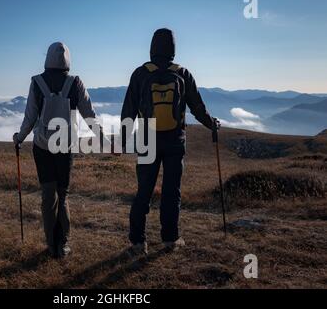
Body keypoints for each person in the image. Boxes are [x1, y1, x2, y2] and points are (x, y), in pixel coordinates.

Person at [121, 28, 219, 255]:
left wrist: (123, 140)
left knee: (143, 190)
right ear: (173, 48)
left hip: (147, 140)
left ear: (152, 47)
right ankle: (170, 239)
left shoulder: (140, 73)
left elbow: (129, 110)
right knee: (171, 191)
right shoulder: (183, 73)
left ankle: (137, 242)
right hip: (175, 140)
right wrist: (211, 124)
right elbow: (197, 108)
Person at [13, 42, 109, 258]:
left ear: (47, 58)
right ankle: (63, 244)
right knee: (62, 195)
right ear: (68, 59)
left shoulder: (36, 82)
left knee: (48, 196)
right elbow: (89, 115)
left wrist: (19, 139)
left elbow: (30, 117)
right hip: (65, 147)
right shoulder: (75, 83)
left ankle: (51, 244)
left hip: (42, 147)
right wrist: (103, 140)